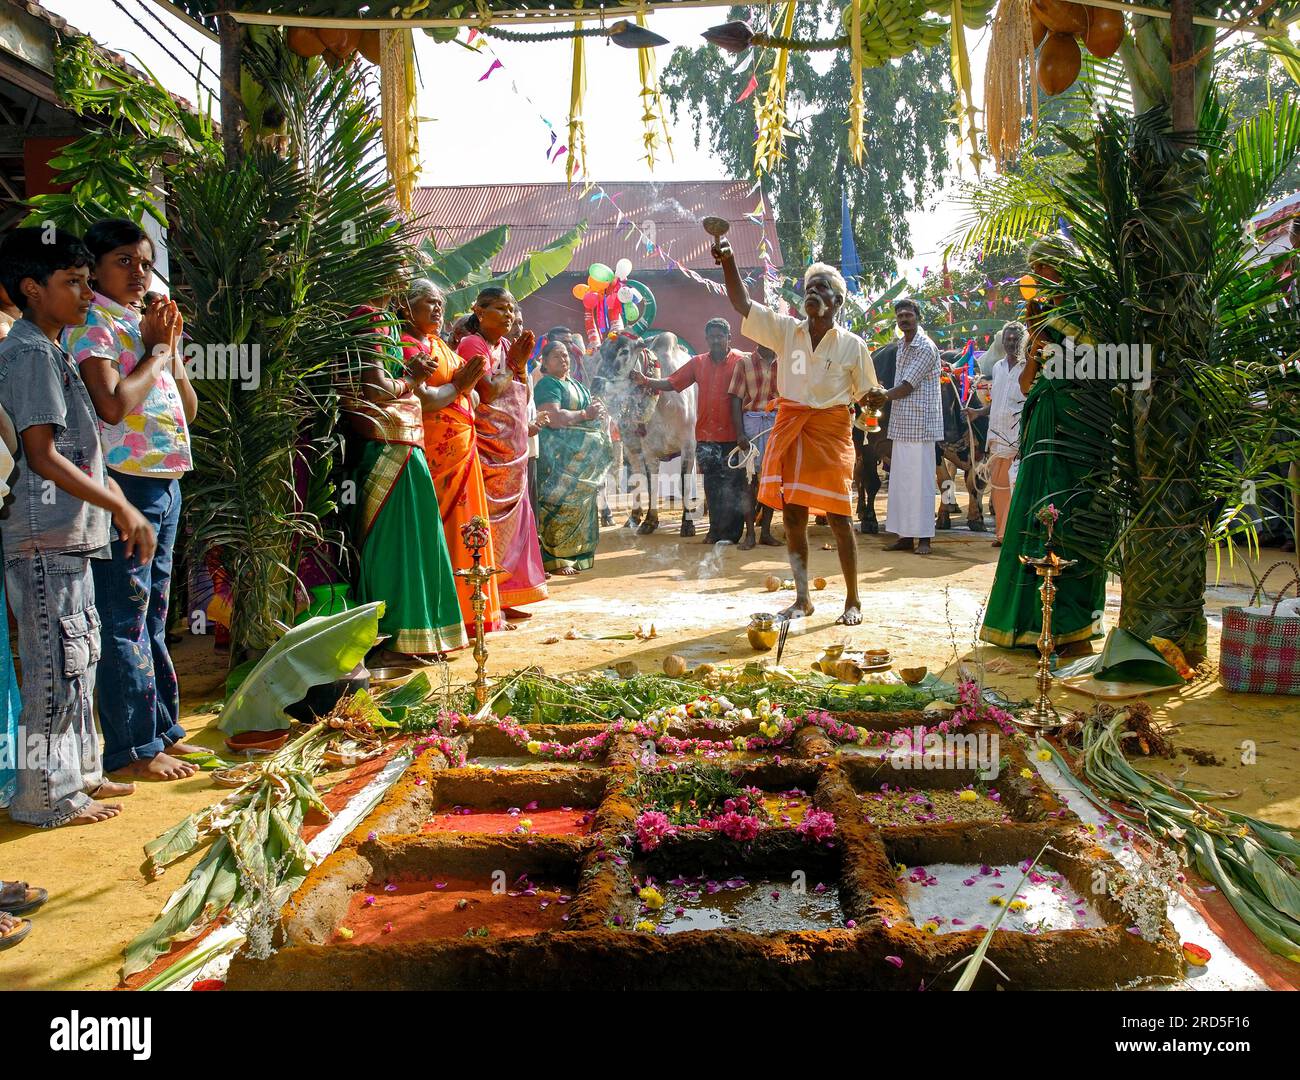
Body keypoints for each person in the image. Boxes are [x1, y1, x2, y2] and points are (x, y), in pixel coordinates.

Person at [0, 227, 150, 827]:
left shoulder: (51, 348)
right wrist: (120, 506)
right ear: (33, 289)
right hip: (43, 533)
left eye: (90, 282)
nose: (88, 293)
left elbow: (82, 452)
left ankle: (79, 775)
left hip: (70, 534)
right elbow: (42, 454)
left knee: (78, 659)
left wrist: (115, 499)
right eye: (74, 282)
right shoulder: (31, 353)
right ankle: (43, 793)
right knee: (52, 668)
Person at [63, 218, 202, 782]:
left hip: (163, 479)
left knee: (155, 614)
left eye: (144, 263)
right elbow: (112, 407)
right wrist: (151, 352)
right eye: (123, 261)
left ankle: (161, 729)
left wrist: (169, 352)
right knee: (123, 615)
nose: (138, 272)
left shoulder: (142, 327)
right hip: (124, 482)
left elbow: (187, 410)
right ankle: (131, 747)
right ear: (92, 270)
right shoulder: (92, 325)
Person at [713, 234, 886, 624]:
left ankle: (853, 600)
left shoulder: (853, 345)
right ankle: (803, 598)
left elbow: (867, 395)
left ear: (837, 302)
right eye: (809, 288)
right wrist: (727, 257)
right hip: (790, 427)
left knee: (840, 517)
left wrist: (876, 398)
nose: (813, 292)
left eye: (822, 288)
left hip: (831, 433)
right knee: (793, 516)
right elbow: (742, 303)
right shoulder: (786, 331)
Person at [980, 238, 1106, 653]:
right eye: (1035, 268)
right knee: (1033, 511)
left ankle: (1070, 624)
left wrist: (1063, 347)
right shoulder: (1040, 314)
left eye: (1045, 267)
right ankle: (1026, 623)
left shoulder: (1089, 309)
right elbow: (1026, 382)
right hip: (1042, 421)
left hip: (1080, 426)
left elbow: (1101, 366)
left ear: (1063, 267)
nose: (1037, 276)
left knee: (1071, 514)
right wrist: (1035, 336)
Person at [344, 296, 468, 663]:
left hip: (404, 440)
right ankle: (396, 640)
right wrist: (411, 379)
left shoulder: (385, 321)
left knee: (416, 541)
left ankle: (422, 636)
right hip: (386, 441)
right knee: (397, 545)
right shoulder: (369, 315)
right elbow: (376, 389)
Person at [399, 279, 504, 634]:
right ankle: (450, 614)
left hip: (463, 446)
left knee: (470, 526)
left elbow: (475, 397)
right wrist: (458, 388)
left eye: (440, 303)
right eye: (429, 302)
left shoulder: (439, 344)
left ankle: (474, 612)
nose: (438, 309)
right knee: (445, 530)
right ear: (406, 306)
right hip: (435, 450)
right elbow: (425, 399)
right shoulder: (407, 343)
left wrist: (462, 391)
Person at [459, 287, 547, 619]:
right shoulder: (472, 345)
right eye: (500, 309)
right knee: (487, 526)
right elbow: (489, 390)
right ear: (479, 312)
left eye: (511, 310)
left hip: (513, 451)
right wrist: (514, 365)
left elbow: (521, 397)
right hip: (486, 450)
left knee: (516, 526)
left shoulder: (507, 346)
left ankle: (508, 597)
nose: (509, 316)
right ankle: (487, 600)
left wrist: (517, 366)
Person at [632, 317, 747, 543]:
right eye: (711, 336)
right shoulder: (697, 363)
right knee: (712, 485)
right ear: (706, 339)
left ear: (728, 338)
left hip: (734, 434)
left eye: (720, 336)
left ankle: (734, 534)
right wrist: (645, 380)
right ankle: (714, 531)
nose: (715, 340)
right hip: (705, 434)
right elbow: (672, 382)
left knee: (733, 483)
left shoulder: (741, 361)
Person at [533, 339, 612, 573]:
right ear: (544, 362)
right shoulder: (548, 384)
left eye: (566, 355)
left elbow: (590, 414)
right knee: (557, 503)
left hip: (581, 459)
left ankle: (577, 554)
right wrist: (585, 413)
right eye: (557, 356)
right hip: (557, 457)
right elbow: (553, 418)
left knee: (582, 505)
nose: (564, 359)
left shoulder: (577, 385)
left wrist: (597, 412)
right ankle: (555, 559)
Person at [881, 299, 944, 556]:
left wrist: (881, 396)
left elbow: (908, 385)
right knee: (901, 484)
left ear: (918, 317)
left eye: (908, 314)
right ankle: (905, 536)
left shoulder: (925, 347)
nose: (903, 319)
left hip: (921, 426)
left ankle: (925, 538)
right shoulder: (902, 346)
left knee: (921, 485)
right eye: (899, 316)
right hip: (902, 424)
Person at [971, 321, 1028, 547]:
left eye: (1015, 339)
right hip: (996, 439)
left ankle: (1017, 536)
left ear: (1022, 341)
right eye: (1008, 339)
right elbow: (996, 404)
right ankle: (1002, 536)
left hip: (1017, 441)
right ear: (1002, 342)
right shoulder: (997, 368)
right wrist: (977, 412)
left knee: (1016, 489)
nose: (1011, 343)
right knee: (999, 492)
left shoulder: (1028, 368)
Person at [728, 343, 780, 549]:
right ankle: (749, 534)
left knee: (772, 480)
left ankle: (765, 531)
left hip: (776, 424)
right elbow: (735, 399)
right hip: (751, 423)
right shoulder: (745, 363)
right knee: (748, 481)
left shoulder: (784, 364)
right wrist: (740, 433)